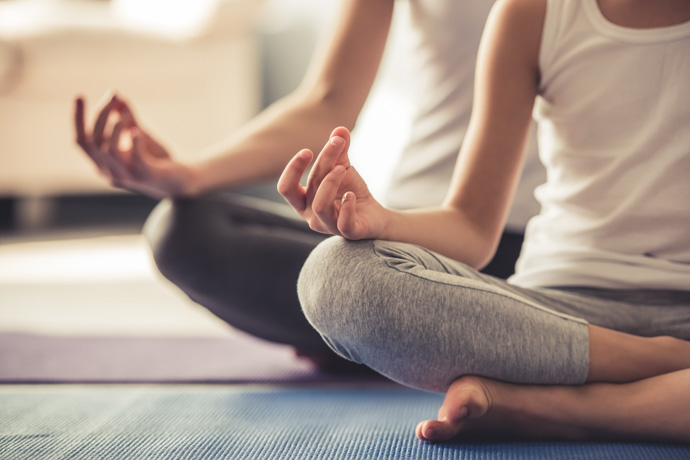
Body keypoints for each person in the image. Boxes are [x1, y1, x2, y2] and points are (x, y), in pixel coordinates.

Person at [278, 0, 690, 443]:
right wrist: (381, 220)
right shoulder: (532, 14)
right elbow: (471, 228)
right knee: (337, 276)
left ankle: (557, 407)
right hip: (553, 313)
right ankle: (663, 366)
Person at [74, 1, 544, 368]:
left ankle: (377, 344)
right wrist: (187, 174)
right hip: (401, 234)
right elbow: (329, 99)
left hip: (530, 250)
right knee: (183, 231)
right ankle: (392, 343)